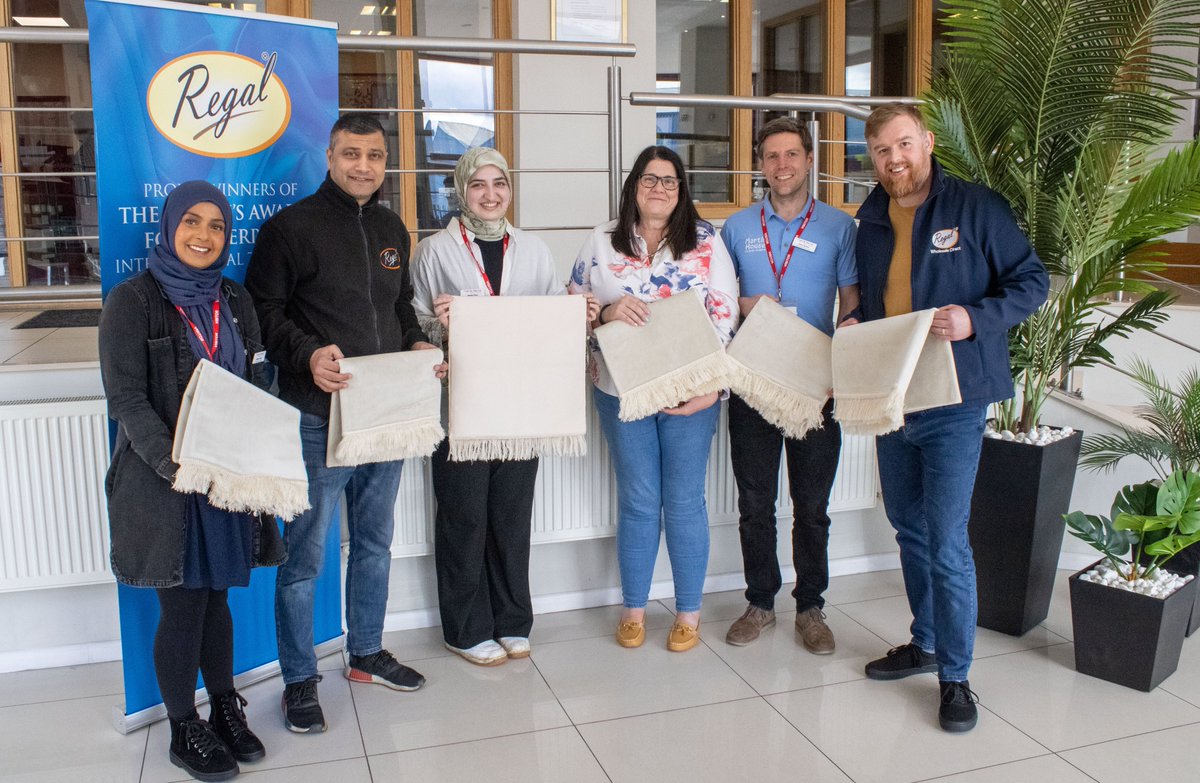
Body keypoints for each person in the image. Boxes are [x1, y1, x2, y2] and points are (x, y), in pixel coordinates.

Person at [850, 103, 1048, 732]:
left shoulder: (975, 206)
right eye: (881, 151)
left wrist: (973, 319)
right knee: (908, 527)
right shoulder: (873, 214)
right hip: (894, 397)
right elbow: (874, 297)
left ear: (927, 141)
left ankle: (956, 677)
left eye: (903, 145)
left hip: (956, 398)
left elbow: (1031, 280)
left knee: (947, 539)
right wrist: (857, 322)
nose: (894, 160)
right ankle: (926, 639)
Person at [245, 114, 444, 734]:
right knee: (304, 558)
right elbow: (261, 313)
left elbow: (398, 307)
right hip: (318, 416)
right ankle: (300, 680)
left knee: (375, 543)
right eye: (351, 154)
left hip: (387, 413)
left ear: (386, 163)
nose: (363, 166)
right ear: (329, 157)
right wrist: (307, 354)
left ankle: (365, 653)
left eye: (375, 156)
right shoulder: (290, 229)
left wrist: (416, 345)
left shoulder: (391, 227)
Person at [99, 181, 283, 781]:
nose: (204, 236)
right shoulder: (134, 301)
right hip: (167, 485)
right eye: (192, 223)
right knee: (181, 608)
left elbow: (257, 378)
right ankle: (184, 727)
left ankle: (225, 707)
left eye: (217, 226)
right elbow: (126, 398)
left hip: (226, 481)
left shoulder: (234, 298)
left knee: (218, 600)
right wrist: (175, 468)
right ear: (170, 226)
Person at [411, 148, 600, 666]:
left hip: (522, 406)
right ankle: (465, 627)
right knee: (464, 518)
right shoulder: (434, 252)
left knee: (512, 518)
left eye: (500, 184)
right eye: (478, 185)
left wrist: (576, 313)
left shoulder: (535, 251)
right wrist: (438, 322)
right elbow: (416, 324)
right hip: (462, 404)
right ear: (461, 189)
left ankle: (513, 620)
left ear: (510, 190)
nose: (490, 194)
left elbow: (547, 324)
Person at [569, 145, 739, 652]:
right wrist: (604, 314)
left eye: (669, 180)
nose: (659, 188)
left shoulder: (707, 242)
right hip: (619, 390)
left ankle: (688, 611)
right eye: (649, 179)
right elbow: (571, 306)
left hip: (691, 393)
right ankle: (634, 608)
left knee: (684, 501)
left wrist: (712, 388)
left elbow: (726, 315)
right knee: (640, 500)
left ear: (681, 190)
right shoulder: (601, 240)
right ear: (633, 187)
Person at [719, 117, 859, 653]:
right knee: (755, 501)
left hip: (815, 385)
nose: (782, 165)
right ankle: (760, 601)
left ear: (808, 160)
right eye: (771, 156)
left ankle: (811, 607)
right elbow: (717, 302)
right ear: (761, 164)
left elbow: (851, 302)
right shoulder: (736, 229)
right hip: (754, 382)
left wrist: (846, 353)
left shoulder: (838, 227)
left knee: (812, 505)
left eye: (791, 155)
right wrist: (745, 304)